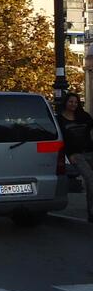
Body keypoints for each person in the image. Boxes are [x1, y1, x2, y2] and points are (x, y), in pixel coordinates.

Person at [58, 92, 93, 222]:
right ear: (66, 103)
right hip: (76, 154)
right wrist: (69, 154)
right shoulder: (60, 120)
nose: (73, 104)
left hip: (89, 151)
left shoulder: (84, 116)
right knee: (90, 179)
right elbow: (62, 140)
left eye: (76, 102)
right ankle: (91, 212)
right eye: (71, 102)